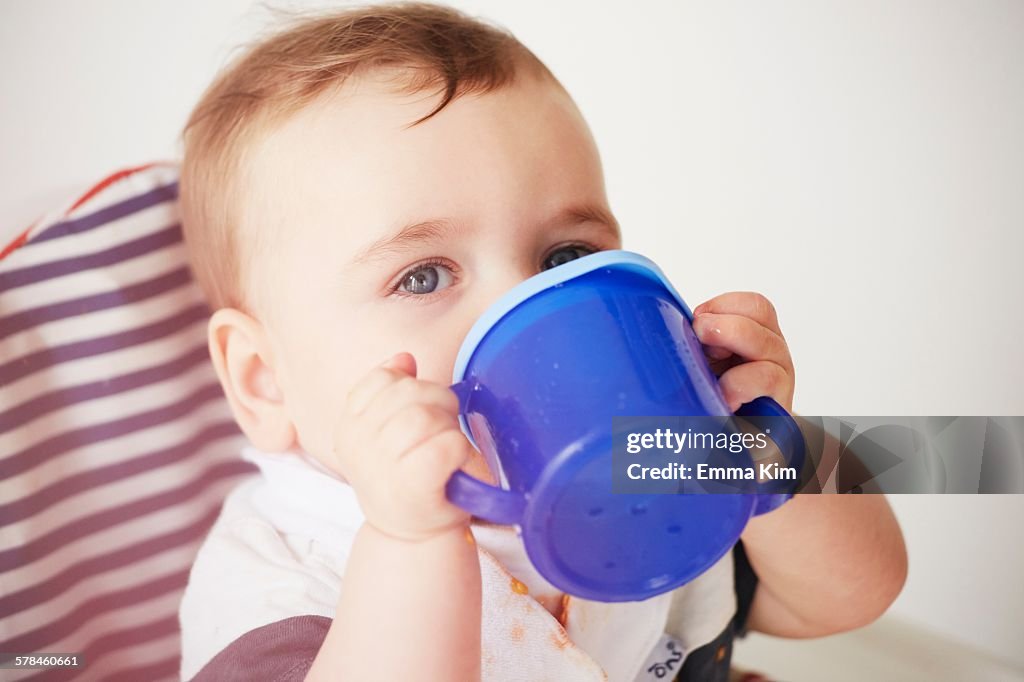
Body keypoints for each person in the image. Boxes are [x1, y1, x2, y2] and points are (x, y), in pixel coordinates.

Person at [176, 4, 908, 680]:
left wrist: (761, 445)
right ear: (262, 380)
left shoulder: (637, 461)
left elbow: (845, 600)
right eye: (424, 276)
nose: (521, 302)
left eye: (564, 258)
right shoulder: (278, 577)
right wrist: (412, 546)